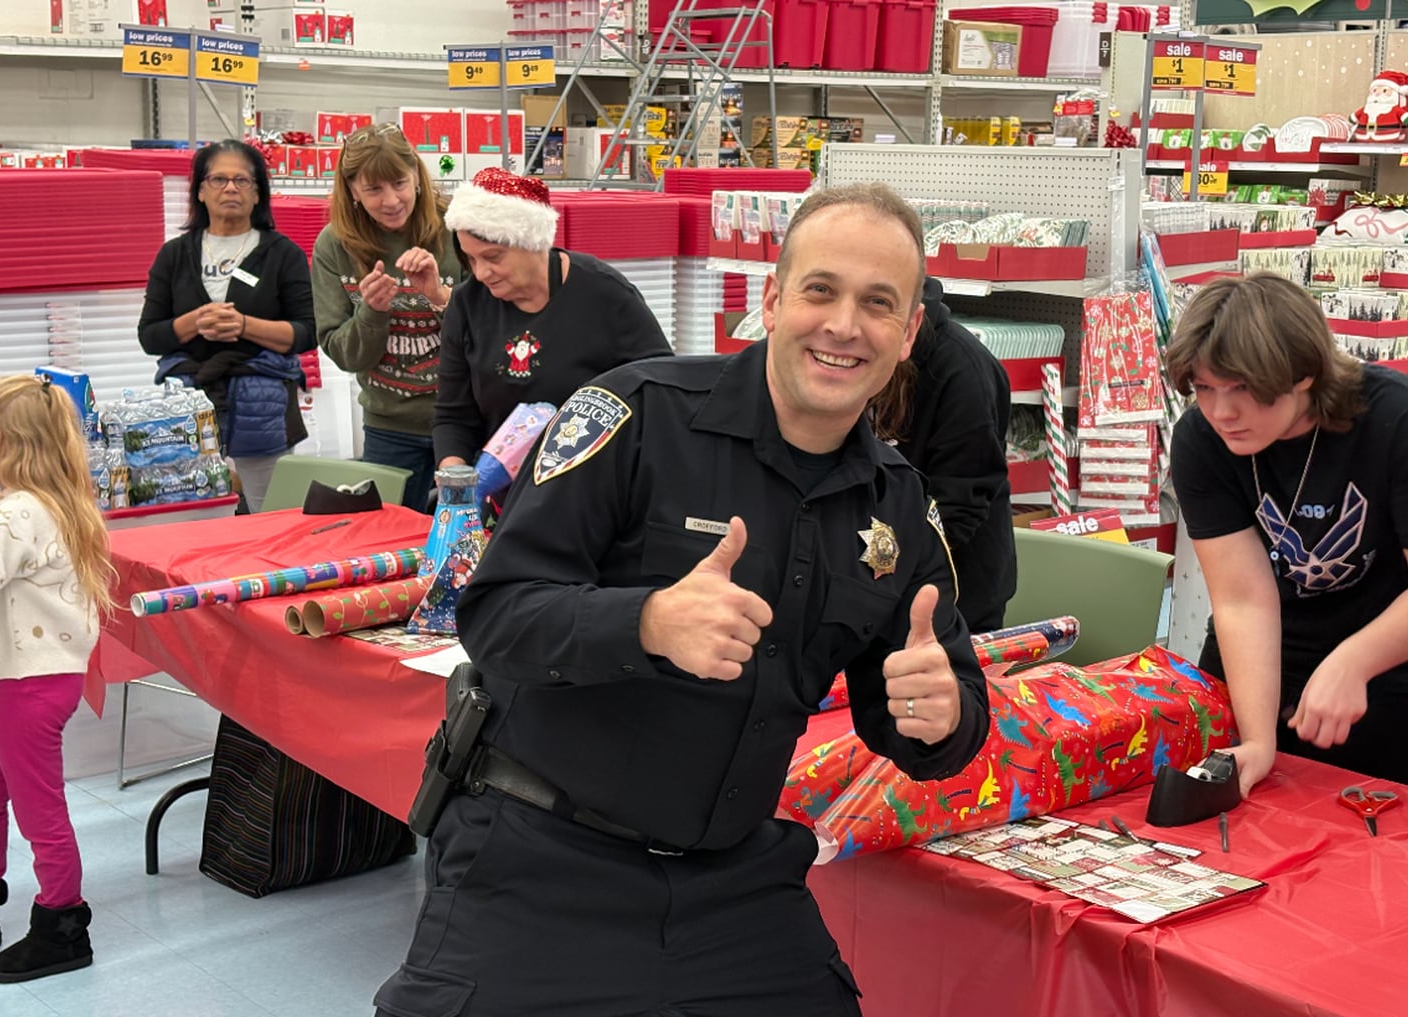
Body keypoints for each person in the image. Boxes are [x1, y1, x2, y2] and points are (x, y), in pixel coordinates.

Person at [375, 183, 989, 1017]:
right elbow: (496, 614)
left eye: (879, 304)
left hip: (732, 887)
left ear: (909, 331)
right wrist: (646, 622)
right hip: (538, 863)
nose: (845, 325)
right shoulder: (634, 416)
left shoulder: (897, 508)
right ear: (771, 301)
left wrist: (943, 716)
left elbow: (939, 717)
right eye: (821, 291)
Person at [1168, 271, 1408, 797]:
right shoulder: (1200, 439)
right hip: (1261, 663)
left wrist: (1354, 660)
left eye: (1241, 389)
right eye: (1204, 389)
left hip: (1393, 659)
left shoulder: (1398, 419)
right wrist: (1258, 741)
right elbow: (1242, 600)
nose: (1221, 412)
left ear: (1303, 374)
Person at [0, 375, 115, 983]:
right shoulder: (47, 501)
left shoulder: (17, 513)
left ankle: (62, 925)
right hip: (30, 681)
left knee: (41, 813)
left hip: (30, 687)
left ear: (0, 440)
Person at [432, 167, 672, 490]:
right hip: (505, 494)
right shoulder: (467, 304)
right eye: (471, 260)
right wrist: (456, 482)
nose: (481, 273)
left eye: (493, 257)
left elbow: (661, 395)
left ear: (531, 241)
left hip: (597, 493)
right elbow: (454, 416)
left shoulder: (606, 295)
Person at [138, 139, 316, 514]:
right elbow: (150, 335)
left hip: (262, 405)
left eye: (242, 180)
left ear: (257, 194)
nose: (230, 188)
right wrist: (194, 322)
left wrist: (244, 326)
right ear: (200, 191)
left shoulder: (283, 254)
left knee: (271, 513)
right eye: (218, 179)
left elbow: (305, 332)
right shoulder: (174, 254)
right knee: (193, 512)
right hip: (189, 406)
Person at [313, 122, 466, 511]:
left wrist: (439, 296)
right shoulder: (334, 245)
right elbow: (345, 356)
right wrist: (373, 312)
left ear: (416, 174)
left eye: (399, 182)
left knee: (474, 541)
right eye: (373, 189)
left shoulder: (457, 228)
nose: (391, 200)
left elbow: (492, 337)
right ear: (352, 191)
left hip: (467, 422)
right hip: (388, 429)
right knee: (387, 545)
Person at [869, 277, 1016, 632]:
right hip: (872, 587)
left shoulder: (963, 370)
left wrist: (873, 561)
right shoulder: (854, 348)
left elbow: (957, 507)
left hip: (957, 596)